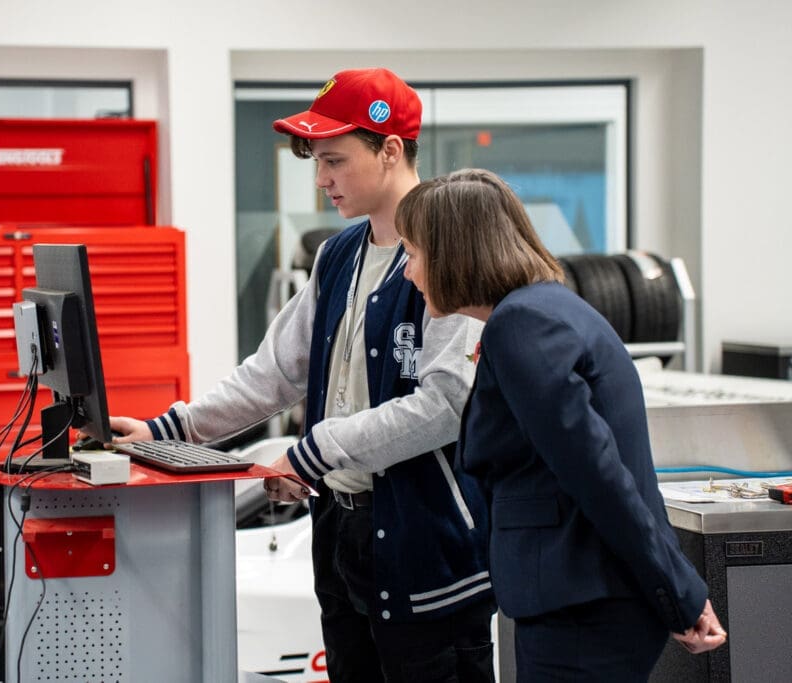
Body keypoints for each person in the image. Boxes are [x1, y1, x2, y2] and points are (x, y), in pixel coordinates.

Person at [110, 68, 496, 682]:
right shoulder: (338, 255)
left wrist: (310, 454)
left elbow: (445, 405)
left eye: (335, 161)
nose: (322, 180)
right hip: (340, 533)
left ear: (390, 148)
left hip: (426, 550)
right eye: (317, 162)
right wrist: (167, 429)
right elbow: (274, 373)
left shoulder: (450, 253)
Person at [395, 168, 727, 681]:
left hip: (582, 608)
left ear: (452, 254)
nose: (408, 272)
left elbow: (599, 475)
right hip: (583, 602)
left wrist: (677, 591)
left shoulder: (522, 325)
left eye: (413, 254)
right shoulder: (543, 312)